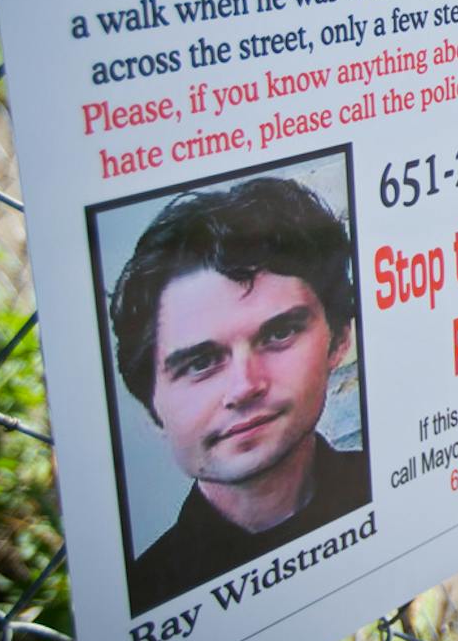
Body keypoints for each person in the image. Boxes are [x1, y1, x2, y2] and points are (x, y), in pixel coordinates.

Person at [110, 175, 369, 612]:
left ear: (339, 337)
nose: (246, 386)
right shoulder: (146, 594)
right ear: (152, 406)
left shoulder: (388, 486)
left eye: (279, 333)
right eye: (200, 363)